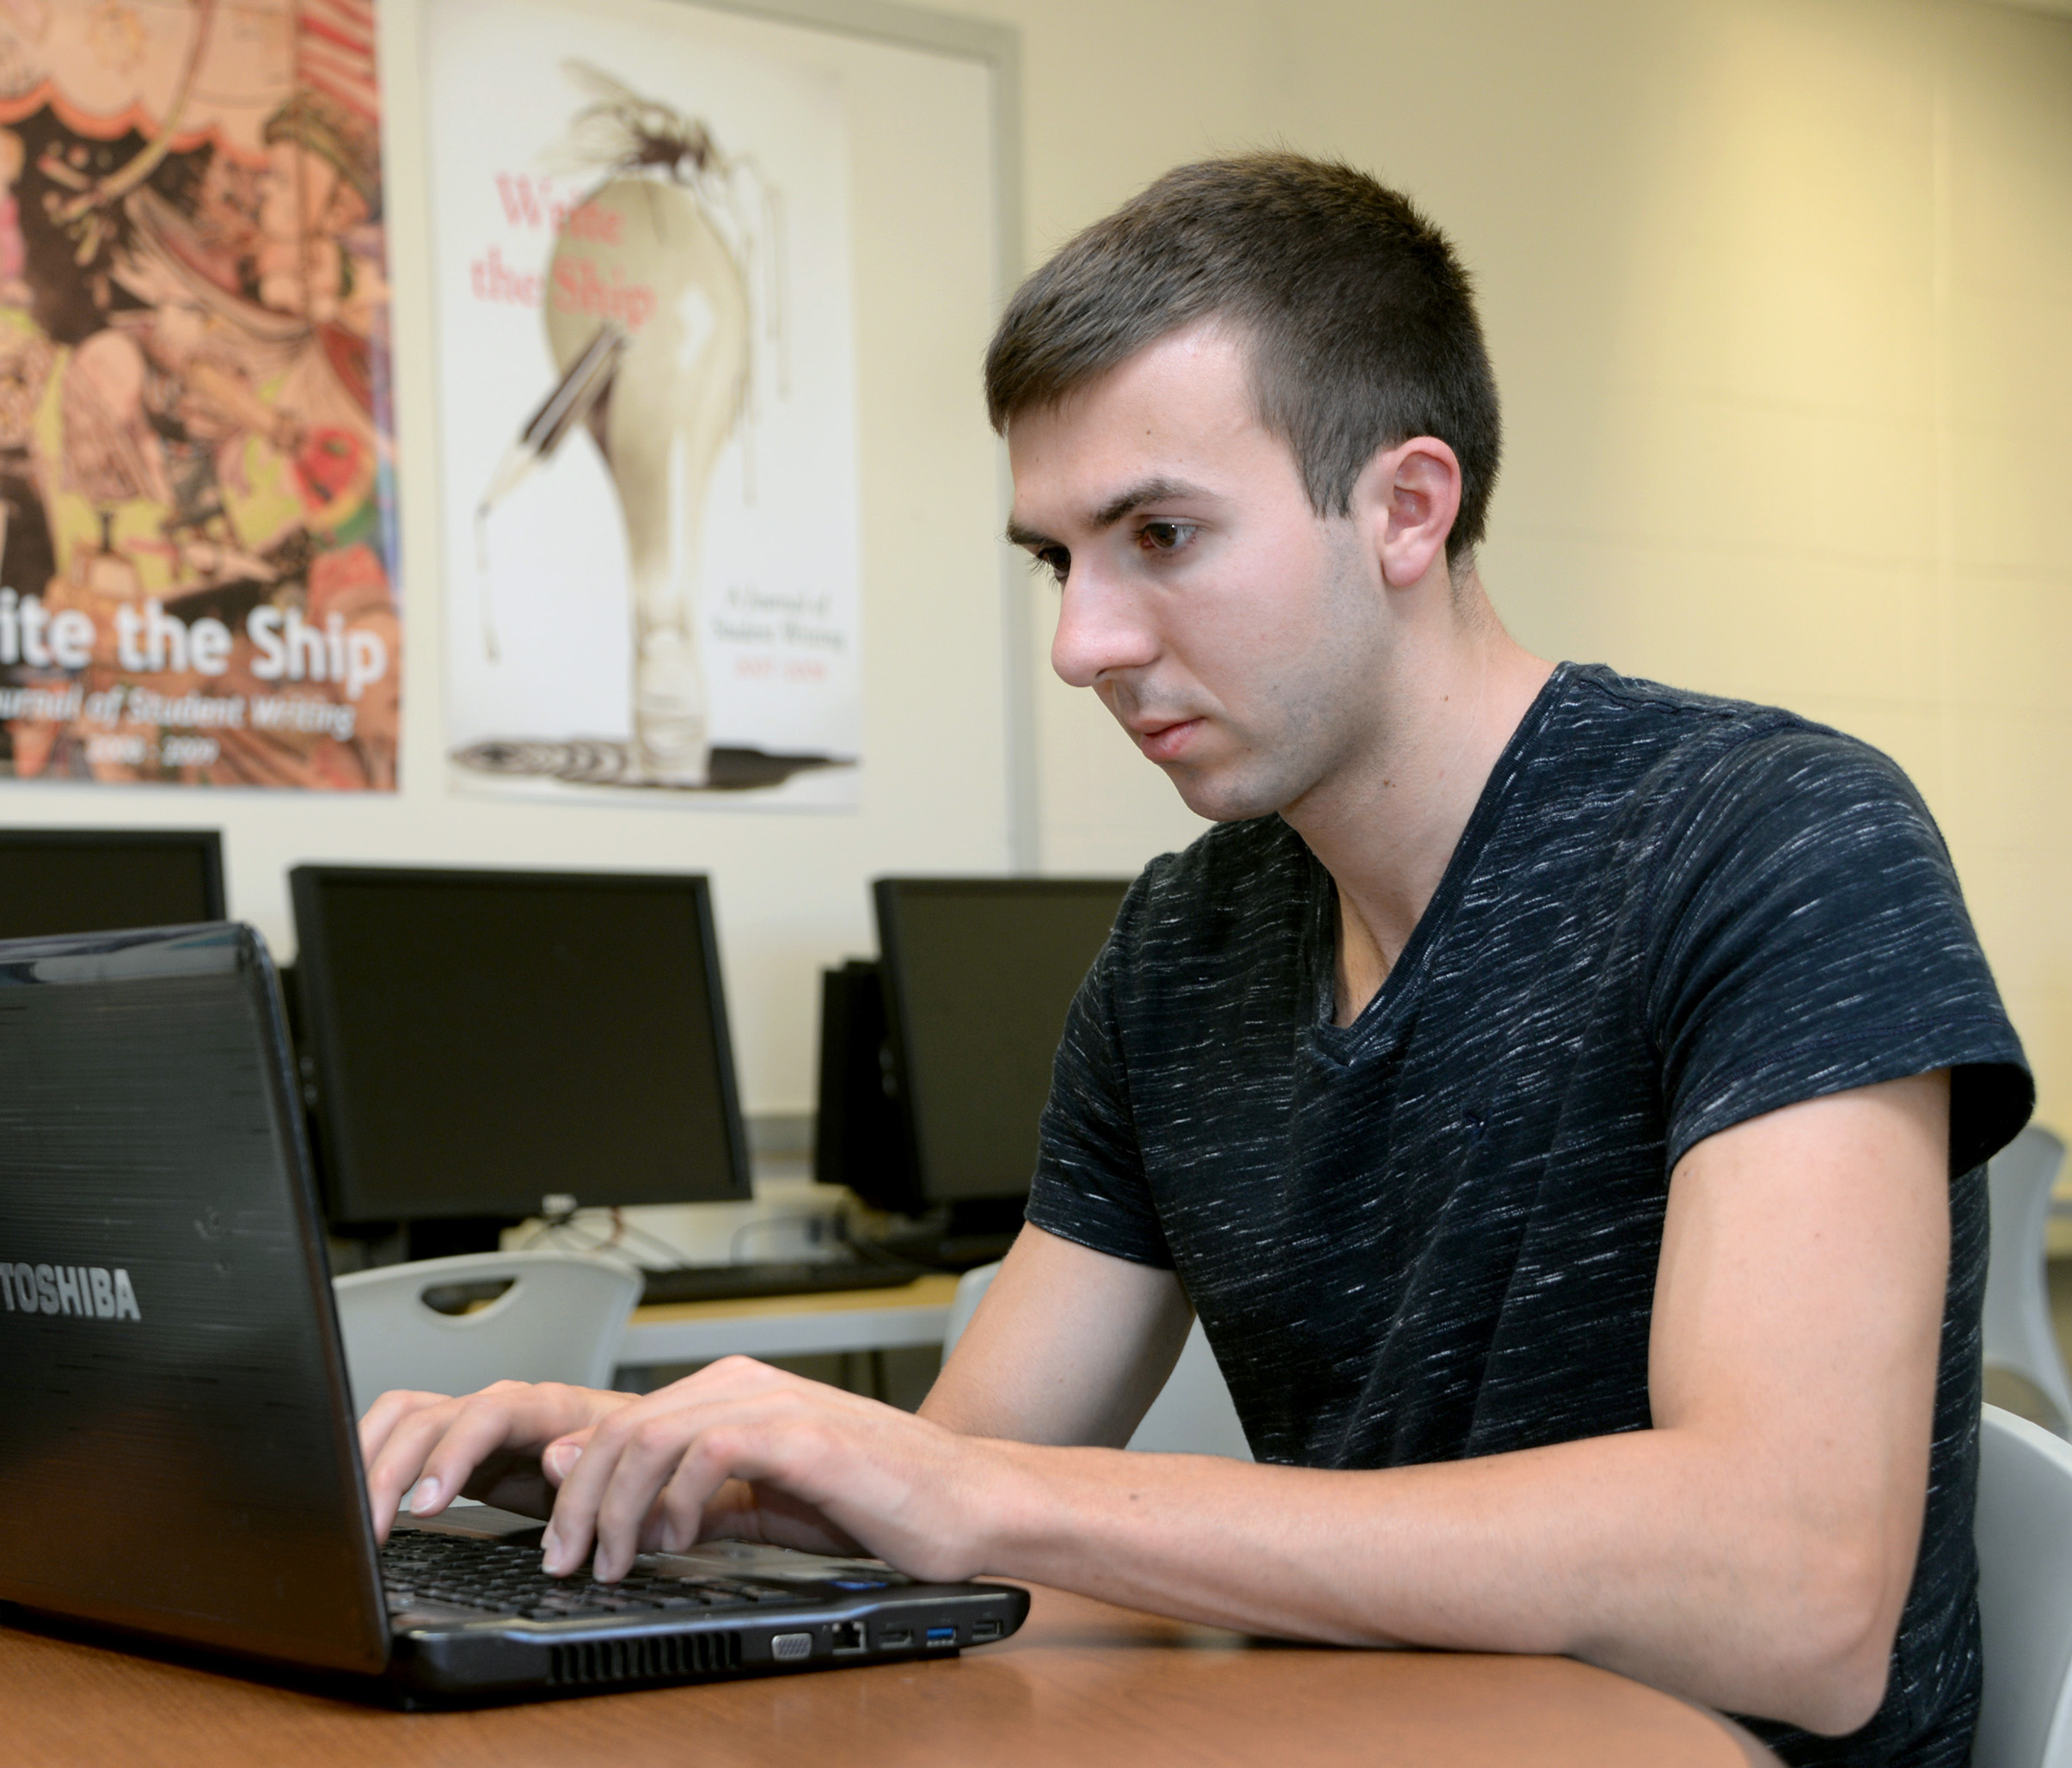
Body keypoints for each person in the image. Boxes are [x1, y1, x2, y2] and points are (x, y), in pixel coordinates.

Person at [356, 153, 2032, 1766]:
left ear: (1406, 507)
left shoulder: (1780, 841)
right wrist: (642, 1464)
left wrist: (985, 1498)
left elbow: (1791, 1595)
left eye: (1159, 535)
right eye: (1057, 560)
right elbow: (961, 1473)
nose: (1083, 642)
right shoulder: (1182, 948)